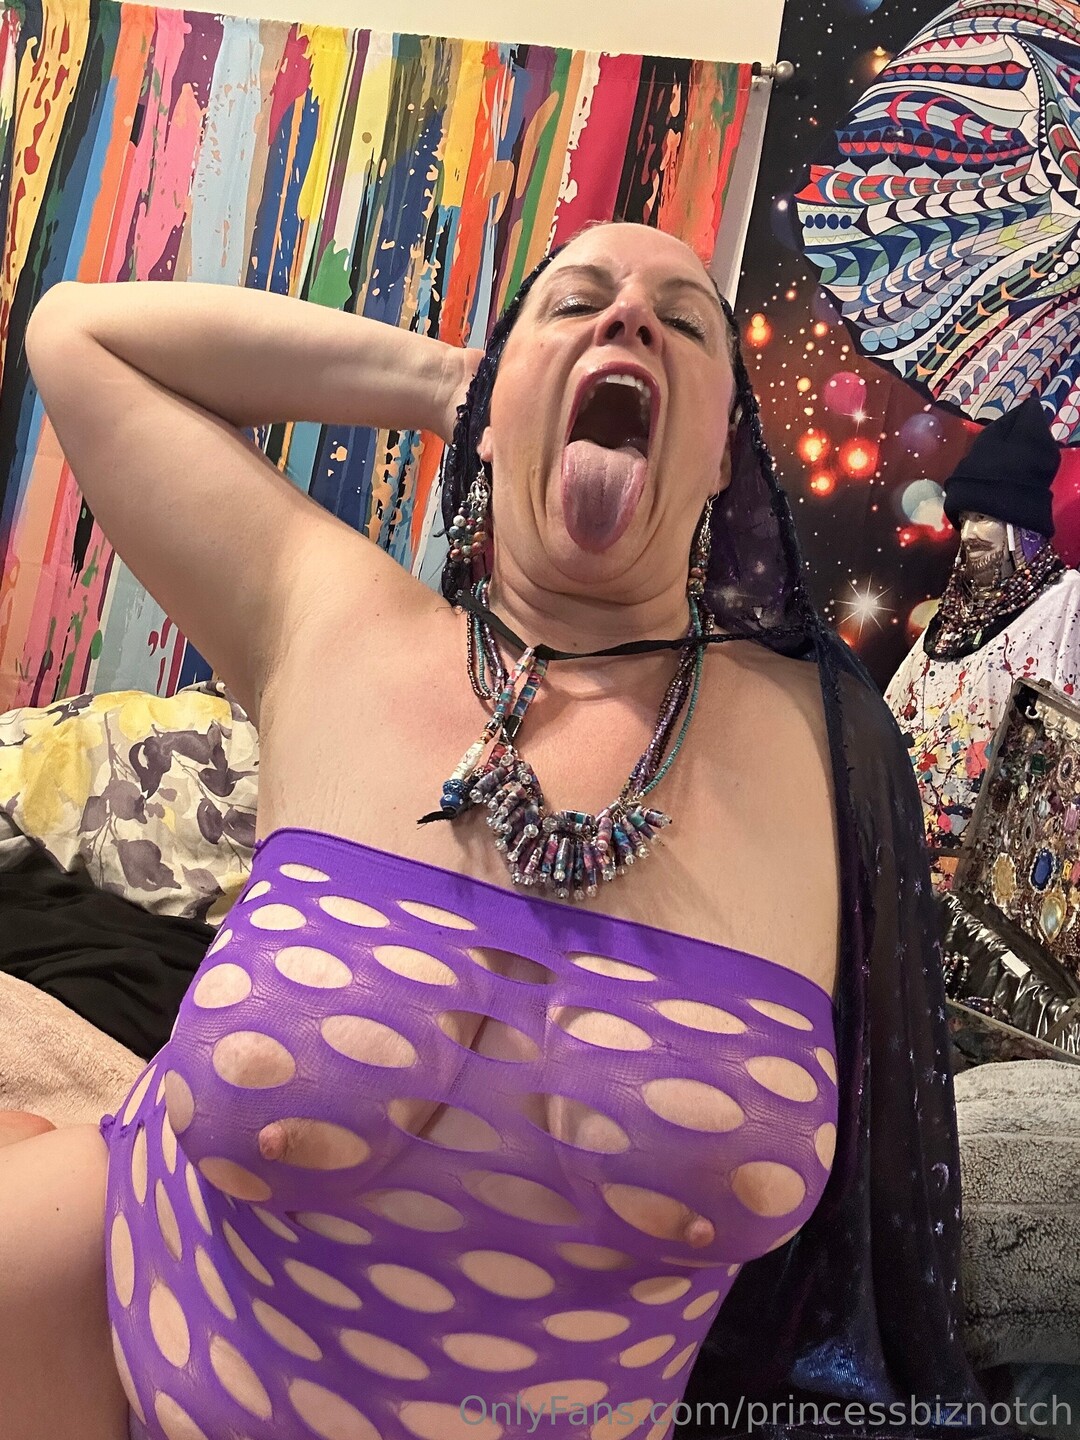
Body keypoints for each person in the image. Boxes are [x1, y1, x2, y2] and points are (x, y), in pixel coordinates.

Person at [1, 222, 1013, 1440]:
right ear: (491, 409)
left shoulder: (829, 746)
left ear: (721, 456)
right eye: (573, 305)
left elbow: (876, 1246)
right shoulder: (329, 617)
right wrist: (449, 383)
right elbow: (80, 336)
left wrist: (537, 363)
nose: (627, 318)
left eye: (684, 322)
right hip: (105, 1349)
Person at [886, 396, 1080, 891]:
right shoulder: (954, 612)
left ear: (1022, 528)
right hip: (905, 861)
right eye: (964, 517)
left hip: (996, 876)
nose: (969, 533)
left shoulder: (1066, 603)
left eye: (986, 517)